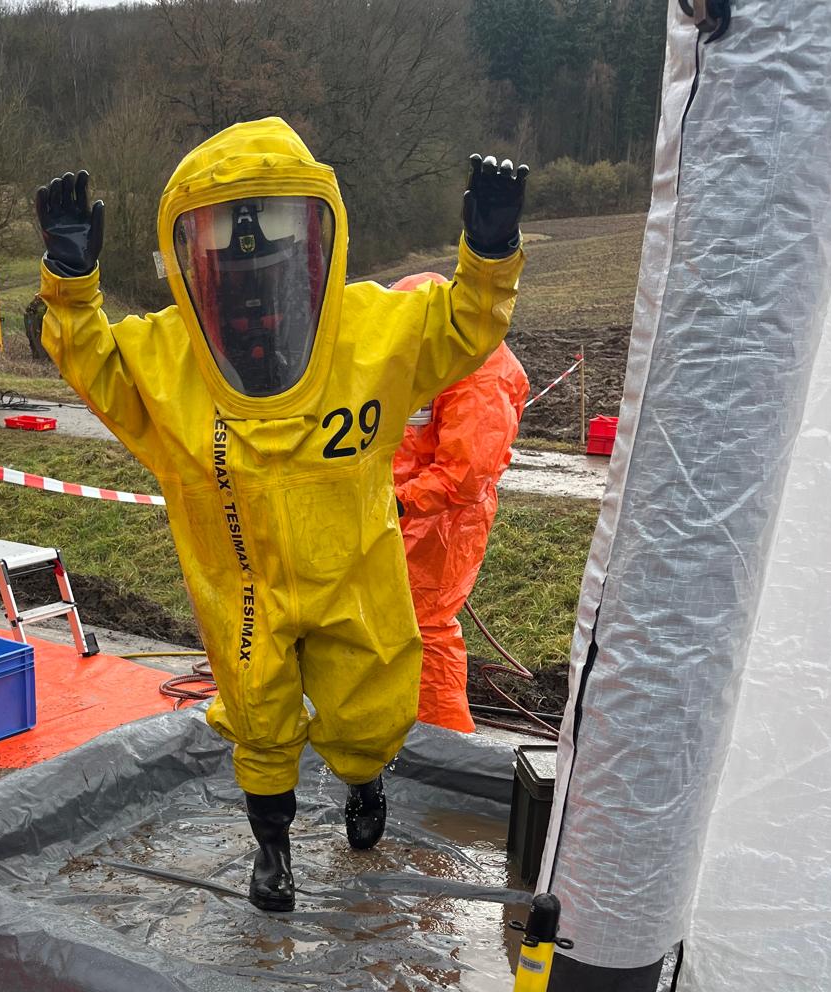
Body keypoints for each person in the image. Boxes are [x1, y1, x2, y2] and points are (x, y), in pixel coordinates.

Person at [36, 122, 526, 911]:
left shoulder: (373, 333)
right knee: (257, 720)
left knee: (371, 709)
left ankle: (364, 779)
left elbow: (465, 325)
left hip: (353, 574)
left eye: (270, 227)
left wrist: (490, 254)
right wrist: (69, 282)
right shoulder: (167, 358)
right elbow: (90, 357)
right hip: (242, 589)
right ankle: (274, 849)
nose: (250, 251)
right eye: (228, 234)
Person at [391, 273, 530, 731]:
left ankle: (444, 739)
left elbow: (465, 473)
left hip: (446, 522)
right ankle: (392, 727)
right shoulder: (422, 357)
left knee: (426, 626)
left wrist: (398, 501)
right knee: (386, 623)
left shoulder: (477, 372)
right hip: (404, 509)